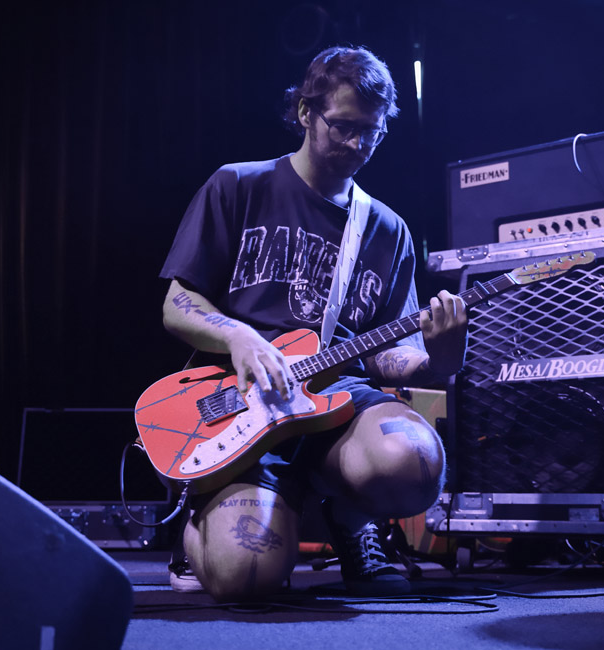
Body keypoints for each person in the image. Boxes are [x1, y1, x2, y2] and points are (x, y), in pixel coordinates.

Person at [158, 45, 468, 601]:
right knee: (245, 579)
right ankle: (201, 516)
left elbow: (387, 353)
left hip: (338, 400)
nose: (356, 145)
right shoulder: (237, 186)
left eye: (370, 133)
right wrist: (238, 335)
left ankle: (351, 519)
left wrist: (441, 358)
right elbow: (178, 303)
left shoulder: (386, 228)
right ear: (305, 112)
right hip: (247, 405)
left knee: (416, 463)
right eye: (343, 127)